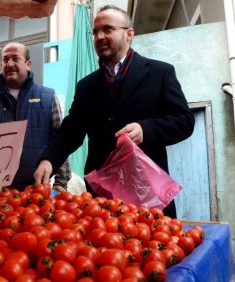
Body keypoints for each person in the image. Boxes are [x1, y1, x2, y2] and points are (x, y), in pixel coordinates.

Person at [34, 5, 195, 218]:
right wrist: (49, 159)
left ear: (129, 34)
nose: (100, 36)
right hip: (102, 201)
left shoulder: (160, 73)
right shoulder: (86, 86)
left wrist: (145, 129)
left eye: (108, 29)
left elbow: (184, 121)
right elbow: (71, 131)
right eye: (95, 31)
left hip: (147, 197)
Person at [0, 42, 71, 194]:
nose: (9, 64)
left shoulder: (47, 97)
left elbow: (60, 141)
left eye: (15, 58)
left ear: (28, 64)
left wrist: (61, 181)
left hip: (35, 191)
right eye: (5, 59)